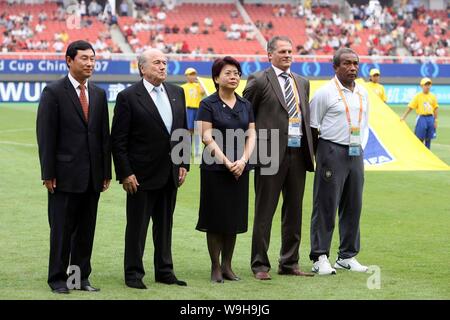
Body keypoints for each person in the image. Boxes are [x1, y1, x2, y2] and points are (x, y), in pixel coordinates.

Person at [36, 40, 111, 294]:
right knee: (62, 230)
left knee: (85, 231)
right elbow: (46, 135)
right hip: (64, 176)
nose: (90, 63)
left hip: (92, 177)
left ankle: (78, 278)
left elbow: (103, 136)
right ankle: (57, 279)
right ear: (69, 60)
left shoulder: (99, 94)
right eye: (84, 59)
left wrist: (106, 172)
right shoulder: (53, 92)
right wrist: (48, 173)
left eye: (92, 58)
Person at [111, 49, 190, 289]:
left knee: (165, 226)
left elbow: (181, 131)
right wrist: (125, 172)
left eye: (165, 62)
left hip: (170, 173)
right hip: (140, 176)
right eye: (157, 63)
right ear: (142, 68)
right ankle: (133, 274)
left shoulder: (177, 92)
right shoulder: (128, 97)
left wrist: (183, 162)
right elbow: (118, 139)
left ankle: (165, 271)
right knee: (137, 226)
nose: (163, 66)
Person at [243, 36, 315, 280]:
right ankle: (260, 265)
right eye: (282, 51)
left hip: (298, 153)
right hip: (269, 154)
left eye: (290, 51)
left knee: (294, 210)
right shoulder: (259, 80)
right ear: (269, 54)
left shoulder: (302, 82)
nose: (287, 55)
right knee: (265, 211)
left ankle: (289, 261)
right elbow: (246, 115)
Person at [309, 48, 369, 275]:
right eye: (347, 63)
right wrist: (321, 156)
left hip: (355, 152)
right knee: (326, 205)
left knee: (353, 205)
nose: (352, 67)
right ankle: (319, 256)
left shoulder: (363, 93)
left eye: (355, 63)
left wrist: (359, 147)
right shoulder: (325, 93)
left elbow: (364, 124)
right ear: (335, 67)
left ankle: (347, 255)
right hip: (330, 151)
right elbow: (313, 127)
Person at [196, 56, 256, 283]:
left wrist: (242, 161)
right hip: (215, 169)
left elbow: (252, 135)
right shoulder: (207, 104)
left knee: (234, 218)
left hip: (240, 168)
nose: (234, 77)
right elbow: (206, 136)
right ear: (216, 78)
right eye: (228, 73)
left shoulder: (245, 105)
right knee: (216, 218)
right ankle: (215, 266)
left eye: (236, 73)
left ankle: (227, 266)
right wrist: (226, 162)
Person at [400, 77, 439, 149]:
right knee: (419, 137)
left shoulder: (433, 96)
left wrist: (436, 120)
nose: (427, 86)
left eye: (429, 85)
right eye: (426, 85)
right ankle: (419, 152)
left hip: (430, 118)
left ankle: (427, 154)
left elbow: (436, 108)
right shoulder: (418, 96)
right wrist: (404, 116)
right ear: (422, 86)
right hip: (422, 118)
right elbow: (410, 107)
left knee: (428, 138)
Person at [181, 67, 205, 158]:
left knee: (198, 131)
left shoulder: (198, 86)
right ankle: (188, 150)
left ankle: (197, 151)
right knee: (189, 130)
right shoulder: (183, 87)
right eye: (190, 74)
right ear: (186, 76)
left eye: (194, 74)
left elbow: (203, 92)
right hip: (188, 110)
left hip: (198, 110)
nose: (192, 76)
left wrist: (199, 82)